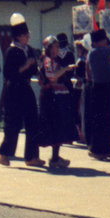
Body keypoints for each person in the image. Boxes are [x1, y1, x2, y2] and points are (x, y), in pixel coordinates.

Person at [0, 13, 43, 167]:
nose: (28, 37)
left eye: (28, 34)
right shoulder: (11, 51)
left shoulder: (28, 49)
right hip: (14, 90)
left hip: (26, 87)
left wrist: (36, 69)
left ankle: (31, 156)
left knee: (32, 121)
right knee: (13, 123)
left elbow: (33, 69)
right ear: (18, 36)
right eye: (25, 35)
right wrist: (24, 66)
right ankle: (3, 152)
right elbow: (8, 73)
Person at [37, 35, 78, 170]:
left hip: (57, 96)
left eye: (57, 47)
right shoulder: (47, 61)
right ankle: (53, 159)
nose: (55, 50)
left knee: (58, 126)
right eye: (53, 47)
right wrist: (65, 69)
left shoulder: (54, 60)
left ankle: (55, 157)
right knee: (54, 126)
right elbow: (52, 77)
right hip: (51, 97)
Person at [84, 28, 110, 160]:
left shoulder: (98, 51)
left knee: (107, 119)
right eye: (104, 40)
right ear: (98, 42)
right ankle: (98, 149)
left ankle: (105, 148)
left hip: (105, 87)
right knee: (101, 120)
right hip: (101, 87)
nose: (106, 42)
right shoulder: (96, 51)